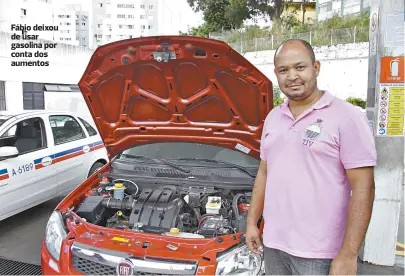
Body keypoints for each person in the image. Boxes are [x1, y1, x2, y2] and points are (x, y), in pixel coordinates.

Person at [246, 39, 377, 275]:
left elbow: (364, 188)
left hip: (321, 252)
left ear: (316, 68)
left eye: (300, 67)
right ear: (276, 73)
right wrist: (252, 223)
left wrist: (348, 254)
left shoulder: (346, 117)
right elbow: (265, 172)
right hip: (274, 245)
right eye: (284, 70)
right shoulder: (273, 118)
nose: (292, 76)